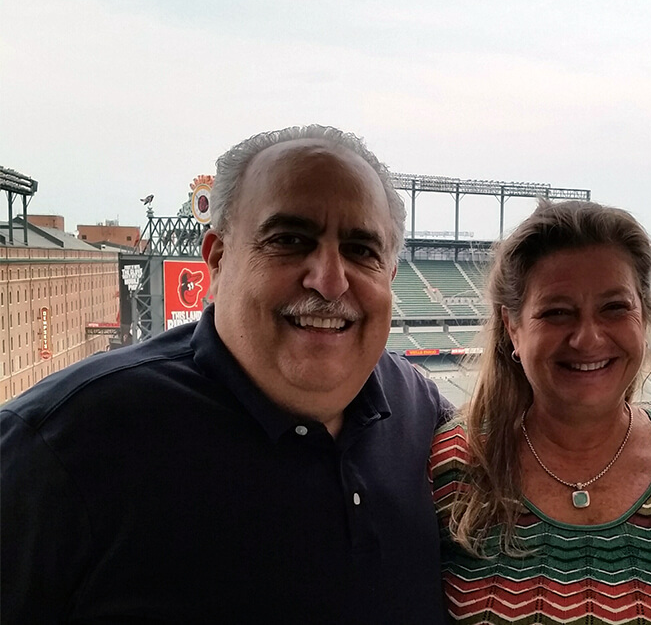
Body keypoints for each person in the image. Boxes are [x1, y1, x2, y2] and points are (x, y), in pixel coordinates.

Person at [1, 125, 450, 623]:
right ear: (217, 258)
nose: (329, 279)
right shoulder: (60, 445)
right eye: (289, 239)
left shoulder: (421, 413)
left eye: (362, 250)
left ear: (389, 276)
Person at [429, 200, 651, 624]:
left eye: (614, 307)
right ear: (512, 327)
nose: (587, 339)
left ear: (643, 315)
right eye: (556, 312)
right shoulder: (453, 463)